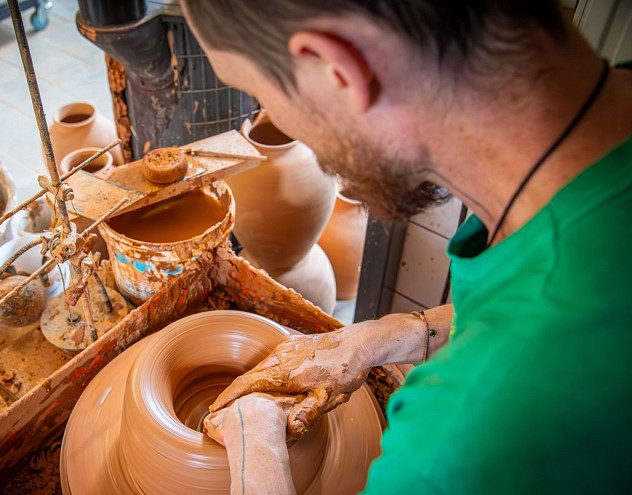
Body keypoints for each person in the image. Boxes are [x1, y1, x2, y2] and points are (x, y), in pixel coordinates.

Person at [179, 1, 632, 494]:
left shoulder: (464, 434)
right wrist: (389, 336)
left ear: (340, 70)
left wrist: (255, 437)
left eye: (261, 95)